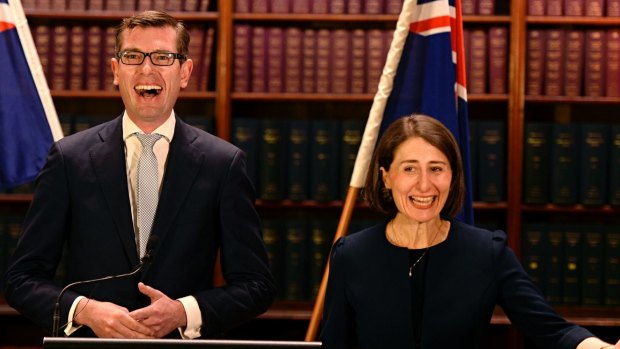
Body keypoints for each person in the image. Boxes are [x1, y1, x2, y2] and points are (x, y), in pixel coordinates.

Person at [3, 10, 275, 339]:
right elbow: (21, 280)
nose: (147, 69)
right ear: (116, 70)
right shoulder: (69, 159)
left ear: (185, 72)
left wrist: (183, 311)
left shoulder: (224, 164)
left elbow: (257, 285)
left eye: (162, 57)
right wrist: (86, 311)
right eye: (133, 56)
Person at [319, 114, 620, 349]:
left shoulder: (487, 252)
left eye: (436, 168)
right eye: (410, 168)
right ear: (386, 177)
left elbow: (551, 330)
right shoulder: (351, 255)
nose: (424, 185)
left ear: (452, 176)